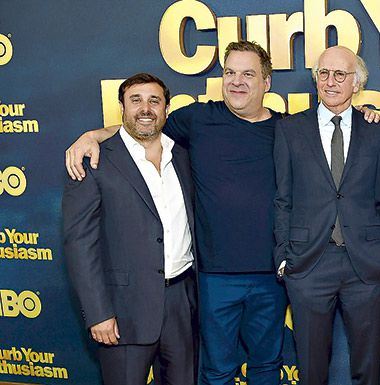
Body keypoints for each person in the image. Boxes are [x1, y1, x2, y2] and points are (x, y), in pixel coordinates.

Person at [64, 41, 287, 385]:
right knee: (215, 371)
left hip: (270, 277)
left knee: (267, 366)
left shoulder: (288, 130)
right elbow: (141, 126)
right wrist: (91, 135)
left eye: (248, 74)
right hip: (213, 279)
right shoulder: (197, 120)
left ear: (267, 82)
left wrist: (364, 114)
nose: (237, 81)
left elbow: (333, 133)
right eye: (230, 73)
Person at [63, 73, 197, 385]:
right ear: (122, 107)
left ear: (166, 108)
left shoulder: (183, 155)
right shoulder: (92, 160)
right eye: (135, 100)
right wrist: (98, 313)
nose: (145, 108)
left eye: (154, 101)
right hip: (123, 309)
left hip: (182, 303)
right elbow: (80, 245)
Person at [273, 45, 380, 385]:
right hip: (309, 264)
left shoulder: (378, 129)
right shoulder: (289, 130)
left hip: (366, 263)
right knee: (311, 370)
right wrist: (285, 257)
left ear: (356, 83)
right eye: (323, 74)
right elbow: (283, 199)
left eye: (340, 74)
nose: (330, 82)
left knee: (367, 368)